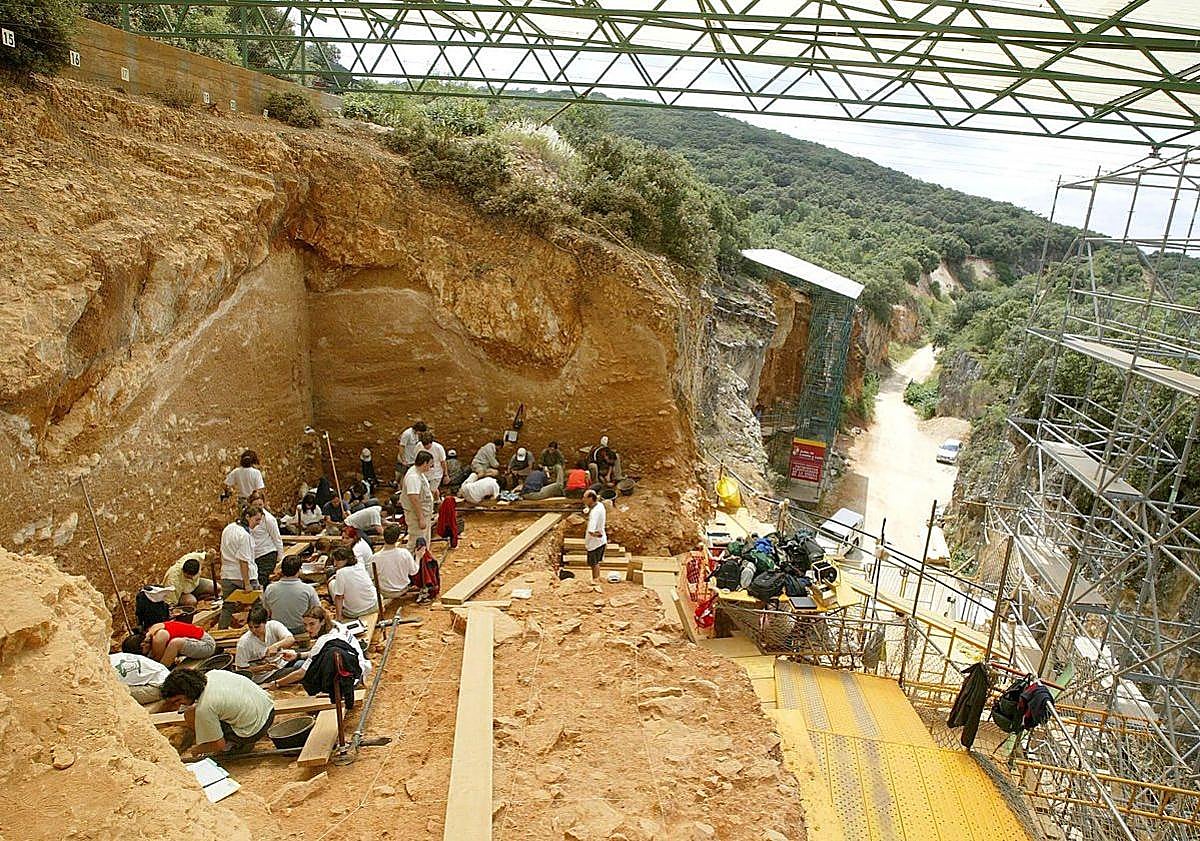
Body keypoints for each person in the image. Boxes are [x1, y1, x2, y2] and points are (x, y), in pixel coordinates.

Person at [159, 668, 275, 756]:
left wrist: (196, 750)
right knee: (194, 712)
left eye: (179, 700)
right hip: (269, 710)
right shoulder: (213, 674)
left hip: (254, 731)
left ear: (187, 691)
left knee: (191, 714)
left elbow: (218, 745)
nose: (179, 704)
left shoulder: (206, 707)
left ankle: (236, 745)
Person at [268, 605, 371, 691]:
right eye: (305, 625)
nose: (308, 629)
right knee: (300, 662)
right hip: (359, 668)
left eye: (312, 624)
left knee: (303, 670)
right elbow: (318, 652)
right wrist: (297, 655)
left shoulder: (325, 640)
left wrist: (277, 683)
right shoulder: (336, 625)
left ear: (322, 622)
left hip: (350, 679)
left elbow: (301, 674)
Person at [218, 506, 263, 629]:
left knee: (227, 607)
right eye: (256, 520)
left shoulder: (228, 529)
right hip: (243, 577)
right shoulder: (244, 536)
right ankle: (260, 632)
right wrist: (247, 583)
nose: (258, 524)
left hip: (227, 575)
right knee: (257, 606)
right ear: (247, 517)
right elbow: (243, 561)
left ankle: (220, 635)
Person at [262, 555, 321, 635]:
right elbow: (317, 610)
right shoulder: (308, 589)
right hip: (300, 628)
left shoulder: (270, 588)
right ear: (299, 570)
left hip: (277, 629)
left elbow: (266, 611)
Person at [122, 619, 217, 665]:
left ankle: (163, 674)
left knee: (175, 643)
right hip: (196, 643)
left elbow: (157, 660)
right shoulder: (152, 631)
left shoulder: (159, 637)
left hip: (206, 645)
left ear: (143, 645)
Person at [234, 605, 297, 670]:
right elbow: (241, 669)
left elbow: (291, 639)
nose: (253, 630)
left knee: (302, 663)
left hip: (282, 663)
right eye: (250, 627)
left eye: (257, 627)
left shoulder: (273, 625)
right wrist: (263, 668)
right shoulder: (244, 642)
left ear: (265, 622)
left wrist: (275, 646)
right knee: (296, 671)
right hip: (265, 675)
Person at [367, 524, 420, 599]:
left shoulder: (375, 557)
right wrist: (418, 557)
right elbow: (414, 571)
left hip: (384, 592)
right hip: (402, 590)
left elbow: (371, 576)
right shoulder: (404, 553)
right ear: (398, 538)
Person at [329, 546, 379, 619]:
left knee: (332, 584)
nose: (335, 564)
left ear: (346, 559)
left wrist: (338, 616)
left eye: (337, 561)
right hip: (373, 605)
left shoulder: (341, 572)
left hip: (355, 612)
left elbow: (339, 597)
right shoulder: (360, 565)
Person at [248, 490, 284, 589]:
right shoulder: (248, 517)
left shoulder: (269, 519)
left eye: (260, 504)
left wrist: (280, 558)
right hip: (253, 555)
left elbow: (276, 538)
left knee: (261, 580)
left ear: (264, 503)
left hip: (267, 553)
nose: (258, 507)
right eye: (255, 505)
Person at [402, 451, 436, 552]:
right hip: (416, 515)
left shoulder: (418, 472)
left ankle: (423, 562)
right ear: (425, 463)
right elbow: (414, 498)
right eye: (430, 464)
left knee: (424, 539)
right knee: (416, 540)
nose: (431, 467)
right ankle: (410, 564)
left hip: (424, 512)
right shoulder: (413, 477)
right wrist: (421, 518)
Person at [583, 489, 608, 593]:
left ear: (590, 498)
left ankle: (595, 581)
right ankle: (596, 580)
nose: (583, 500)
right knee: (596, 562)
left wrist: (596, 534)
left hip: (595, 543)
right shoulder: (600, 505)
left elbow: (591, 531)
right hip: (601, 541)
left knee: (594, 563)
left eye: (585, 498)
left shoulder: (594, 514)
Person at [416, 431, 449, 499]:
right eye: (424, 445)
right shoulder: (419, 446)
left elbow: (443, 462)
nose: (426, 447)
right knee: (425, 491)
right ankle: (438, 500)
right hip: (424, 474)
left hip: (436, 474)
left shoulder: (438, 448)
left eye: (427, 445)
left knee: (430, 492)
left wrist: (445, 475)